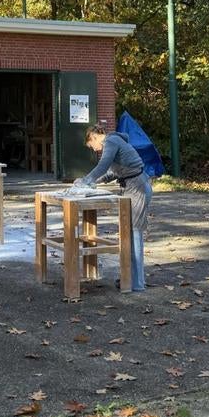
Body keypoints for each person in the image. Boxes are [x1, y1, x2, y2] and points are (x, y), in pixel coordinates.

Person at [78, 125, 150, 292]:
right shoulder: (114, 142)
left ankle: (137, 283)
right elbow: (111, 173)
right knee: (129, 233)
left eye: (91, 145)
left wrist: (86, 181)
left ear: (94, 137)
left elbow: (103, 166)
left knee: (134, 234)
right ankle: (130, 276)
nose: (93, 149)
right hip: (131, 186)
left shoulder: (111, 141)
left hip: (137, 187)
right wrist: (90, 181)